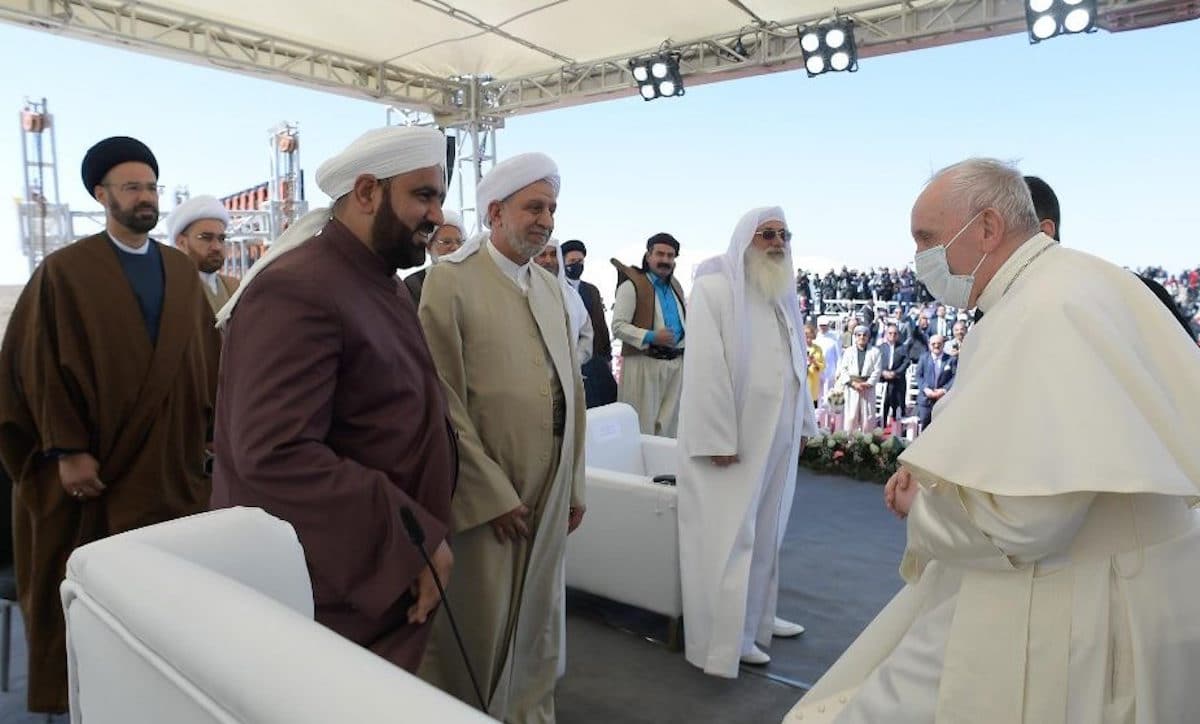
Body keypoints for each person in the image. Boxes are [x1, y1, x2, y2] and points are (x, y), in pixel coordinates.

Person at [791, 157, 1200, 723]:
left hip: (1078, 604)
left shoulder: (1045, 310)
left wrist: (921, 505)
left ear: (986, 228)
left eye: (926, 240)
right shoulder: (1071, 284)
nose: (919, 262)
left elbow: (1025, 521)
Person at [210, 126, 456, 672]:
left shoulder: (380, 280)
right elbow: (276, 452)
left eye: (438, 197)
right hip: (335, 589)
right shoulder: (299, 287)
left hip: (380, 588)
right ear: (367, 193)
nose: (437, 215)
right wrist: (406, 540)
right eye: (423, 195)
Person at [0, 136, 218, 714]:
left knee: (173, 613)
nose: (144, 197)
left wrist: (213, 428)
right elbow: (36, 366)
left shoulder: (178, 268)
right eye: (131, 187)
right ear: (102, 195)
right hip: (94, 476)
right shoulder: (65, 271)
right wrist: (66, 449)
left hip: (170, 470)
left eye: (150, 187)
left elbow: (204, 355)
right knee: (96, 616)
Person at [417, 152, 585, 724]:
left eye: (552, 209)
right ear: (495, 211)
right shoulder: (451, 283)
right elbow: (442, 401)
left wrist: (575, 483)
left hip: (549, 488)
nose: (546, 220)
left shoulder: (549, 287)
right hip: (490, 497)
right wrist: (492, 495)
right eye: (534, 207)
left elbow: (572, 394)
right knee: (481, 625)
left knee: (538, 622)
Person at [677, 207, 817, 676]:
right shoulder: (716, 289)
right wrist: (718, 436)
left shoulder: (778, 293)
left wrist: (802, 425)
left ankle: (755, 617)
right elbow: (705, 370)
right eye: (766, 234)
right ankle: (723, 643)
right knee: (730, 538)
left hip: (775, 436)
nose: (777, 242)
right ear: (745, 240)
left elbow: (796, 360)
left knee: (768, 531)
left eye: (783, 234)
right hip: (731, 443)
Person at [611, 233, 686, 436]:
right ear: (648, 255)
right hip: (644, 364)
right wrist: (652, 336)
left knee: (671, 428)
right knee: (641, 428)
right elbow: (618, 326)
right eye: (660, 254)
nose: (665, 260)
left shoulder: (676, 286)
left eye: (670, 256)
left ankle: (665, 469)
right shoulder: (632, 285)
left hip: (675, 366)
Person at [560, 239, 618, 407]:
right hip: (572, 361)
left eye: (580, 261)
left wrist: (607, 356)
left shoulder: (591, 290)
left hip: (595, 359)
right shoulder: (558, 289)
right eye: (572, 262)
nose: (577, 265)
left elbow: (600, 325)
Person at [169, 194, 238, 313]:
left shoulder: (234, 287)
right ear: (182, 242)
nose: (217, 247)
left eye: (221, 239)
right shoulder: (169, 288)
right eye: (206, 238)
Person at [533, 239, 594, 368]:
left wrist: (575, 361)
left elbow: (586, 335)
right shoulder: (524, 292)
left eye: (554, 255)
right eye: (542, 255)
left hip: (568, 374)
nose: (548, 260)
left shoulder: (572, 296)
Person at [405, 210, 465, 305]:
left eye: (459, 242)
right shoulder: (414, 284)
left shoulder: (470, 281)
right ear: (429, 246)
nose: (455, 248)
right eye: (446, 242)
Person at [834, 326, 880, 432]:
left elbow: (877, 371)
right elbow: (843, 369)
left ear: (868, 337)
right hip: (852, 388)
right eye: (859, 335)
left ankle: (866, 444)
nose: (862, 337)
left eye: (864, 335)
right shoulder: (848, 351)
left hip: (867, 388)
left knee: (867, 418)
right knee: (851, 417)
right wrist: (853, 383)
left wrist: (867, 384)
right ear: (855, 336)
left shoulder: (875, 352)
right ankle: (850, 444)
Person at [803, 324, 825, 407]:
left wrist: (814, 362)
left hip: (812, 384)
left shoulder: (818, 349)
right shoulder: (798, 348)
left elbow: (823, 366)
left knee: (812, 408)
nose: (808, 339)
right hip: (800, 382)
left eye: (810, 336)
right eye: (806, 336)